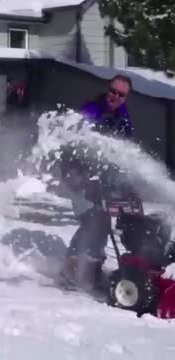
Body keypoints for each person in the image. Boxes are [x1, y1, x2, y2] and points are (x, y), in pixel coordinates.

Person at [57, 74, 135, 292]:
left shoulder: (123, 118)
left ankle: (91, 270)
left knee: (102, 224)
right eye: (113, 91)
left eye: (121, 94)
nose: (115, 96)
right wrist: (83, 177)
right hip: (76, 175)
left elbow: (124, 152)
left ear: (126, 97)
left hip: (100, 177)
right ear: (107, 89)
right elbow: (76, 142)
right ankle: (69, 271)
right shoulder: (92, 110)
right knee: (91, 222)